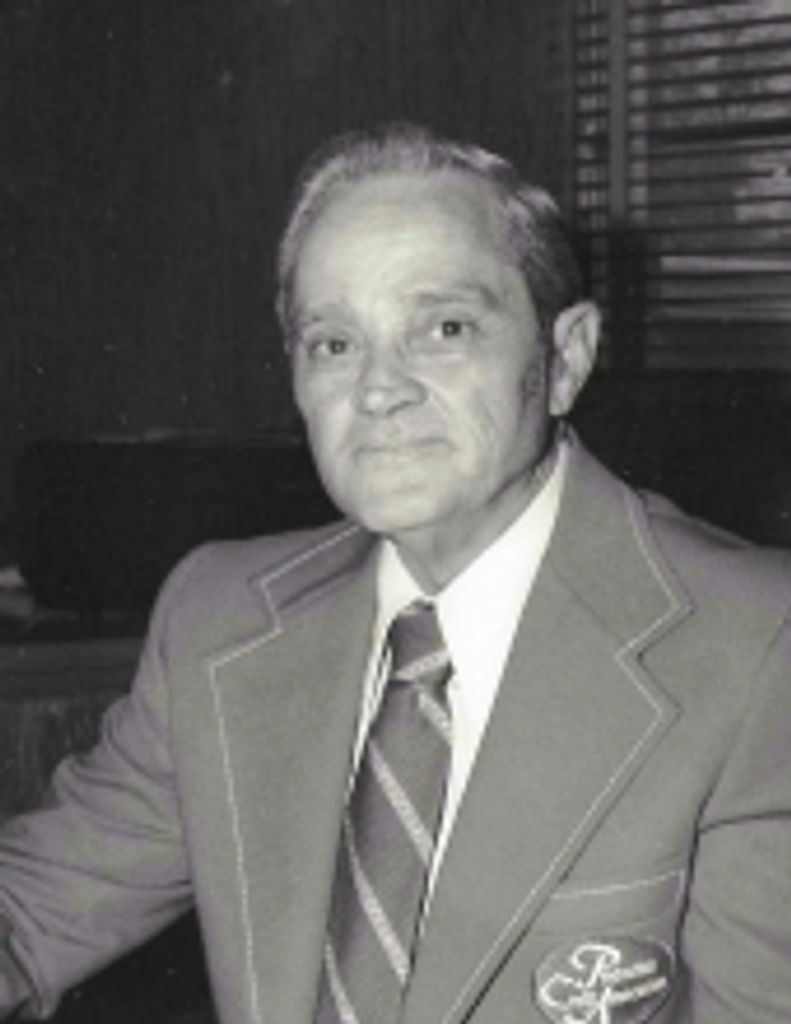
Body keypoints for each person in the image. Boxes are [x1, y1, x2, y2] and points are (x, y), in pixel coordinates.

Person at [1, 122, 791, 1024]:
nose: (378, 389)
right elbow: (29, 912)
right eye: (334, 344)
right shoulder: (220, 622)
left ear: (565, 358)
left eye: (444, 329)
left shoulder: (754, 648)